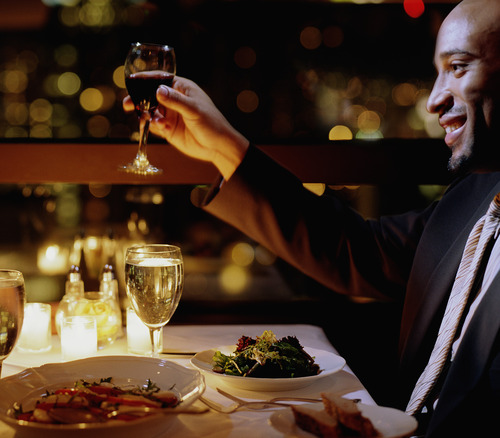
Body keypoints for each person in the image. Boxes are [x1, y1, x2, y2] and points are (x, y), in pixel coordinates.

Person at [124, 0, 500, 436]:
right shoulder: (475, 197)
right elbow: (359, 250)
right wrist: (220, 145)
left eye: (458, 67)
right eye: (437, 72)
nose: (434, 100)